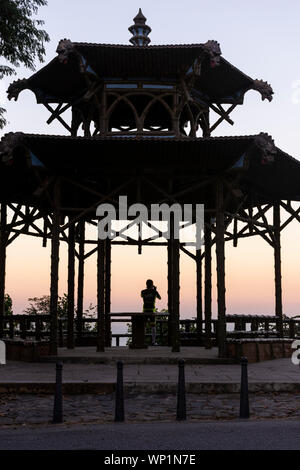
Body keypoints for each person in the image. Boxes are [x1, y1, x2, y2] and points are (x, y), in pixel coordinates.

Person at [141, 279, 161, 346]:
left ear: (146, 284)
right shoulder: (154, 292)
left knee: (144, 326)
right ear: (152, 284)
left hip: (145, 311)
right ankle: (153, 342)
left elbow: (142, 296)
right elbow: (159, 298)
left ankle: (142, 341)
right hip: (152, 311)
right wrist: (155, 290)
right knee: (153, 327)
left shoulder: (143, 292)